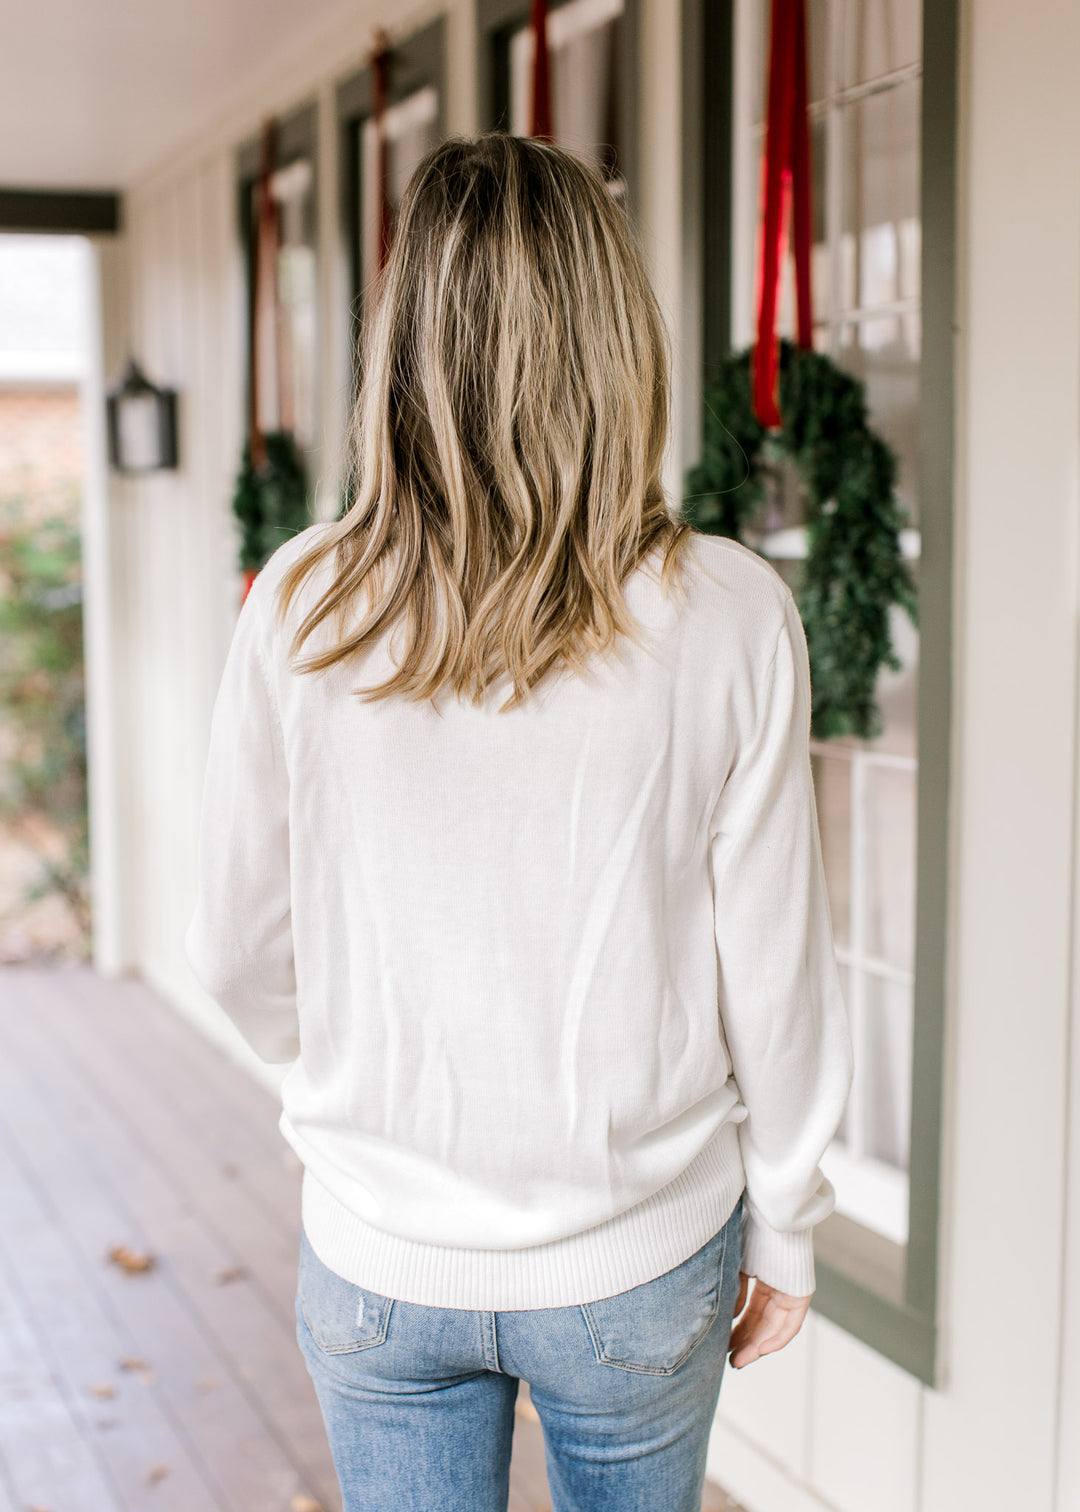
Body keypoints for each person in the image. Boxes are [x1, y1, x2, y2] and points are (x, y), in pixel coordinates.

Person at [185, 131, 854, 1512]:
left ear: (403, 339)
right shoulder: (729, 612)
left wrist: (378, 1087)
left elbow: (238, 947)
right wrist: (788, 1218)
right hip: (637, 1263)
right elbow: (775, 967)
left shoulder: (304, 601)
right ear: (618, 337)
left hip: (378, 1253)